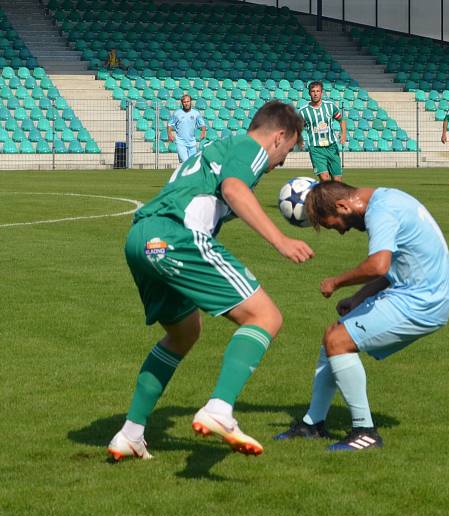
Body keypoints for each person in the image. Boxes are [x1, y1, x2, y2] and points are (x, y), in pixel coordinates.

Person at [107, 101, 314, 461]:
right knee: (266, 316)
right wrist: (281, 241)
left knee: (184, 333)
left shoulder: (220, 149)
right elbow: (234, 189)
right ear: (278, 137)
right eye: (289, 150)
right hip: (175, 236)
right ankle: (220, 408)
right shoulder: (249, 148)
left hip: (140, 239)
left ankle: (131, 433)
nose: (283, 162)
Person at [274, 181, 449, 451]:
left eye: (336, 225)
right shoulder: (389, 198)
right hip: (417, 292)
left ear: (343, 206)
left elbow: (378, 265)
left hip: (422, 301)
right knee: (332, 338)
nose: (343, 232)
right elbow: (395, 267)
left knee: (339, 341)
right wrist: (359, 298)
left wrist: (336, 282)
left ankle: (364, 432)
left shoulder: (381, 212)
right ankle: (313, 424)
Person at [298, 81, 347, 181]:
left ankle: (333, 197)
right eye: (313, 91)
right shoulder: (303, 112)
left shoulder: (330, 107)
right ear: (309, 93)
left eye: (318, 91)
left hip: (332, 147)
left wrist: (343, 134)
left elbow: (341, 120)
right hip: (316, 149)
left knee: (337, 181)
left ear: (322, 92)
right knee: (325, 179)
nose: (315, 93)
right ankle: (324, 196)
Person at [167, 94, 206, 164]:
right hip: (180, 142)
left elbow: (202, 124)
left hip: (192, 142)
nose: (186, 103)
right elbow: (169, 124)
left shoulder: (196, 113)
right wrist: (169, 134)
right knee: (186, 162)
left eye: (188, 101)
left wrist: (203, 132)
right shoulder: (177, 113)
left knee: (192, 163)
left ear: (191, 102)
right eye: (184, 102)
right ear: (182, 103)